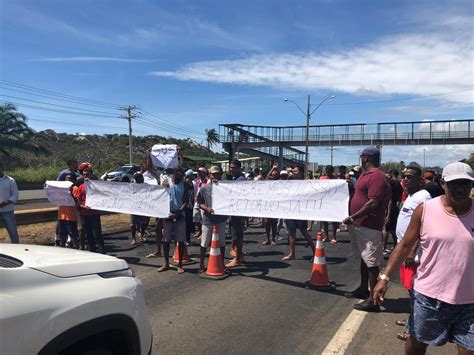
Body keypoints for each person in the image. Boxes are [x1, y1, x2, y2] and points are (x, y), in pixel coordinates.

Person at [373, 162, 473, 354]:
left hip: (470, 301)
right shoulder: (425, 210)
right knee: (417, 344)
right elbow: (404, 245)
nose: (460, 189)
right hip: (430, 296)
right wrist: (384, 278)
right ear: (443, 183)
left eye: (465, 184)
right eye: (454, 184)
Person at [389, 162, 432, 341]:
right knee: (410, 291)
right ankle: (411, 321)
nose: (405, 179)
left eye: (410, 177)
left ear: (420, 180)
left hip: (414, 255)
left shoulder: (424, 196)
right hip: (406, 251)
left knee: (416, 292)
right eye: (404, 176)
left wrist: (411, 250)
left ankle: (414, 330)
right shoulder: (412, 195)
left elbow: (424, 226)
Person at [342, 146, 388, 312]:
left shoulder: (377, 176)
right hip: (359, 224)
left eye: (362, 156)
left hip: (369, 225)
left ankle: (373, 300)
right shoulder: (364, 174)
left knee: (371, 262)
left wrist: (353, 217)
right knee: (364, 258)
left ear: (367, 157)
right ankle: (363, 289)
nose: (361, 158)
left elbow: (373, 202)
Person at [197, 166, 227, 273]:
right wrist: (207, 208)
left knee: (222, 243)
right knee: (204, 242)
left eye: (217, 174)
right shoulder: (204, 188)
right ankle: (201, 264)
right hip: (208, 219)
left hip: (220, 219)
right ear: (210, 175)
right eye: (213, 174)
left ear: (220, 175)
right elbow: (200, 203)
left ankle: (221, 264)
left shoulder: (225, 188)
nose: (215, 176)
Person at [282, 165, 316, 261]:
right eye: (293, 171)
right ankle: (292, 254)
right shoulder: (290, 180)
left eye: (296, 171)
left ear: (301, 172)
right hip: (291, 210)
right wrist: (288, 172)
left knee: (304, 231)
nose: (293, 172)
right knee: (291, 233)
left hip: (301, 211)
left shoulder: (305, 183)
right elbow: (283, 184)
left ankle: (315, 252)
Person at [158, 168, 188, 274]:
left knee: (180, 241)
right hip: (167, 215)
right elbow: (161, 196)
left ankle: (180, 264)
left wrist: (179, 212)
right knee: (166, 240)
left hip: (179, 215)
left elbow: (186, 201)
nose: (179, 176)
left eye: (181, 174)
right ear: (174, 174)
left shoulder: (184, 184)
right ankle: (166, 263)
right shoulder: (167, 182)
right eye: (178, 173)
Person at [78, 168, 106, 254]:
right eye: (84, 175)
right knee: (88, 233)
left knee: (97, 233)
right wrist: (83, 206)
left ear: (91, 175)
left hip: (94, 213)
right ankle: (92, 250)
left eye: (87, 174)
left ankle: (102, 250)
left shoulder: (96, 186)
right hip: (85, 214)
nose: (85, 176)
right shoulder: (81, 187)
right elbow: (79, 202)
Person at [226, 159, 247, 268]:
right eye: (230, 167)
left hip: (238, 212)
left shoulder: (241, 180)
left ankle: (238, 258)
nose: (231, 170)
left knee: (237, 236)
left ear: (239, 168)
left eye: (233, 168)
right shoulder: (235, 178)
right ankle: (239, 256)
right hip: (234, 211)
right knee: (235, 235)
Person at [383, 169, 403, 256]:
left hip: (389, 208)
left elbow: (390, 200)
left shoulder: (390, 184)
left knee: (385, 229)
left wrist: (387, 214)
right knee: (394, 229)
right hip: (395, 207)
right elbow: (399, 198)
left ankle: (383, 248)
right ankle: (395, 245)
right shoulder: (399, 184)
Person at [57, 173, 80, 248]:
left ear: (73, 180)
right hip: (62, 216)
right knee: (62, 234)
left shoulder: (75, 189)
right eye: (66, 179)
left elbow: (77, 203)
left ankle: (77, 248)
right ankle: (63, 248)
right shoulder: (62, 189)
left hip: (71, 216)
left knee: (73, 234)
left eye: (69, 179)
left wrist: (70, 193)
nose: (67, 180)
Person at [0, 161, 20, 243]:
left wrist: (5, 202)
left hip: (7, 211)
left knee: (13, 233)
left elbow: (15, 195)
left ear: (1, 168)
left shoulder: (10, 180)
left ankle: (17, 249)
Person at [320, 165, 340, 243]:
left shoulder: (336, 179)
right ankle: (326, 237)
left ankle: (334, 237)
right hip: (325, 202)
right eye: (327, 171)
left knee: (334, 221)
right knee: (325, 221)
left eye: (329, 171)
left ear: (332, 171)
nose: (328, 173)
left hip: (333, 202)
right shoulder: (322, 179)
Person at [193, 167, 209, 238]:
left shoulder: (208, 181)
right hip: (197, 201)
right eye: (199, 172)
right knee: (195, 216)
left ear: (204, 173)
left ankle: (204, 233)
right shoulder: (198, 181)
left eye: (200, 172)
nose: (199, 173)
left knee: (203, 218)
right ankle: (200, 231)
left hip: (204, 202)